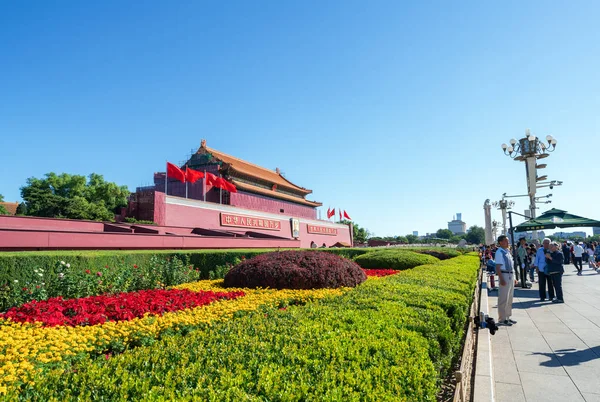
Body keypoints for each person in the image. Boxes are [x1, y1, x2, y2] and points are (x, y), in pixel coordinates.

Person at [495, 235, 517, 326]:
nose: (508, 243)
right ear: (500, 242)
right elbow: (498, 267)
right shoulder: (499, 252)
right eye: (505, 241)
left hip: (510, 275)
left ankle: (507, 316)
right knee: (503, 298)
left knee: (509, 298)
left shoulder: (507, 252)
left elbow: (512, 266)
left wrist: (514, 278)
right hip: (504, 274)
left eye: (507, 241)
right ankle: (502, 319)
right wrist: (501, 279)